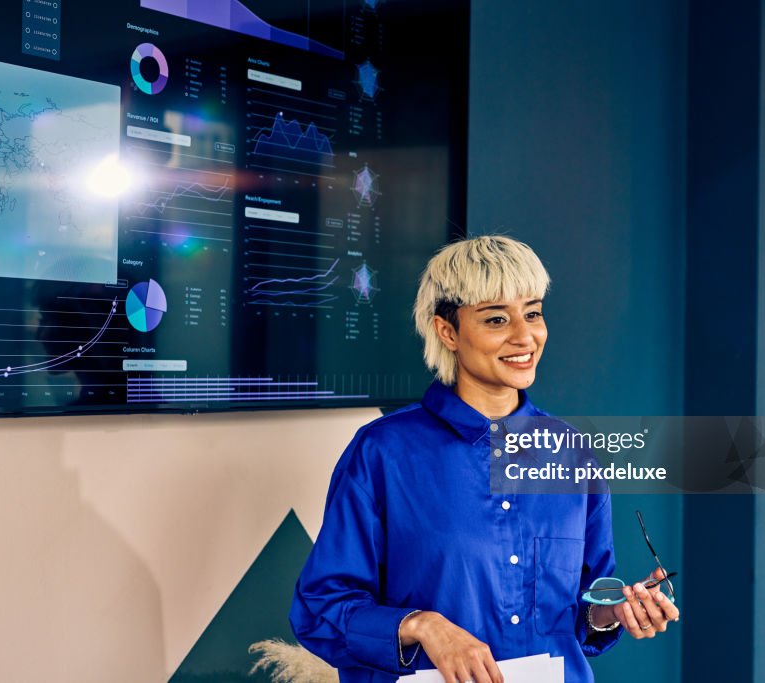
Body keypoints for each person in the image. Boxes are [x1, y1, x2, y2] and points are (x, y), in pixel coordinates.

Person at [290, 235, 679, 683]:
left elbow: (584, 609)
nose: (524, 335)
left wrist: (616, 612)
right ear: (447, 331)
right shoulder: (383, 453)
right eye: (497, 319)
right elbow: (319, 610)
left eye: (532, 312)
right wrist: (421, 625)